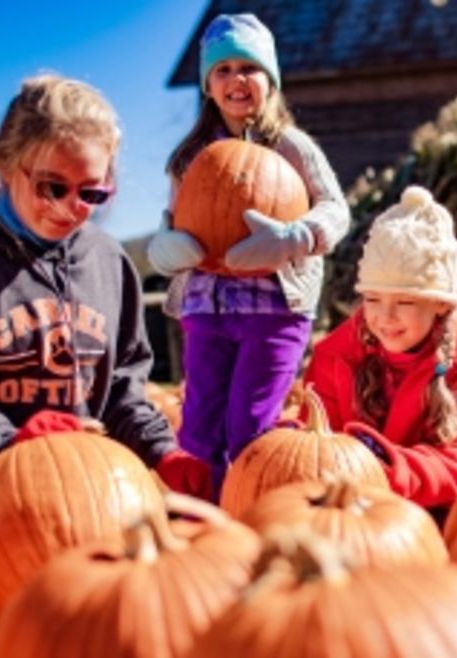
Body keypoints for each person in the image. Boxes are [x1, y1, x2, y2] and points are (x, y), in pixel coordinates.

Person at [0, 73, 212, 530]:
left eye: (91, 193)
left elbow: (122, 394)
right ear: (6, 165)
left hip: (74, 515)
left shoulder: (109, 265)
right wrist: (5, 447)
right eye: (52, 187)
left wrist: (163, 452)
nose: (70, 207)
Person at [146, 13, 349, 493]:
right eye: (223, 70)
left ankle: (251, 508)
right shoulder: (190, 158)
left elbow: (335, 211)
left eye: (249, 68)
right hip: (206, 306)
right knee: (199, 428)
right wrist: (167, 249)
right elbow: (170, 224)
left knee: (249, 427)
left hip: (274, 310)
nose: (236, 80)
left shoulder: (293, 149)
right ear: (209, 85)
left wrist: (297, 237)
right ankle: (201, 516)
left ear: (270, 81)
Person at [303, 186, 457, 517]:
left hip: (434, 516)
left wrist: (388, 471)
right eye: (372, 299)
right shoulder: (334, 355)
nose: (385, 317)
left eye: (405, 301)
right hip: (345, 512)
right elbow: (314, 446)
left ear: (440, 305)